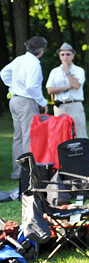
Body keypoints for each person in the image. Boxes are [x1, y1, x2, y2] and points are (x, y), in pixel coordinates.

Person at [1, 36, 48, 179]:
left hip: (14, 99)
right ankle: (28, 172)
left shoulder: (19, 60)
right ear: (41, 50)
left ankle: (17, 172)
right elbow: (32, 86)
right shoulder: (34, 64)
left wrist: (14, 85)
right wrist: (42, 102)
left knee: (18, 137)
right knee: (28, 136)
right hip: (26, 101)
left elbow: (3, 73)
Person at [45, 43, 87, 138]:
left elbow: (76, 85)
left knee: (80, 133)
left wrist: (67, 72)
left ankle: (82, 152)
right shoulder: (54, 71)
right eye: (62, 54)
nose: (65, 57)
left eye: (68, 54)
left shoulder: (79, 70)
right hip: (60, 106)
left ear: (73, 55)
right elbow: (50, 90)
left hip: (75, 104)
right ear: (59, 56)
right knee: (60, 135)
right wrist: (68, 86)